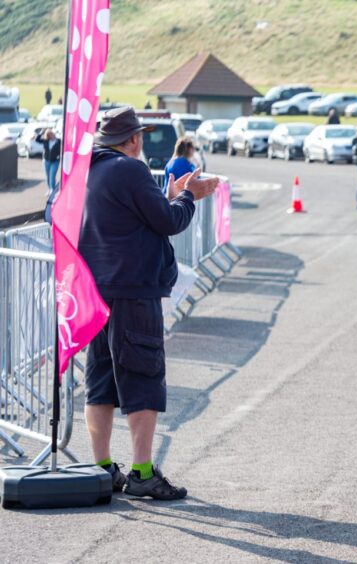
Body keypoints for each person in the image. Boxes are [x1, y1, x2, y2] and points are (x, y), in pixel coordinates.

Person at [79, 107, 219, 500]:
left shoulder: (89, 168)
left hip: (97, 288)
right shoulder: (131, 170)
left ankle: (103, 467)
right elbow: (168, 222)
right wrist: (189, 197)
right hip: (133, 288)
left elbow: (135, 215)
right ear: (135, 139)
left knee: (100, 382)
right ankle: (141, 471)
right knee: (142, 377)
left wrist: (170, 196)